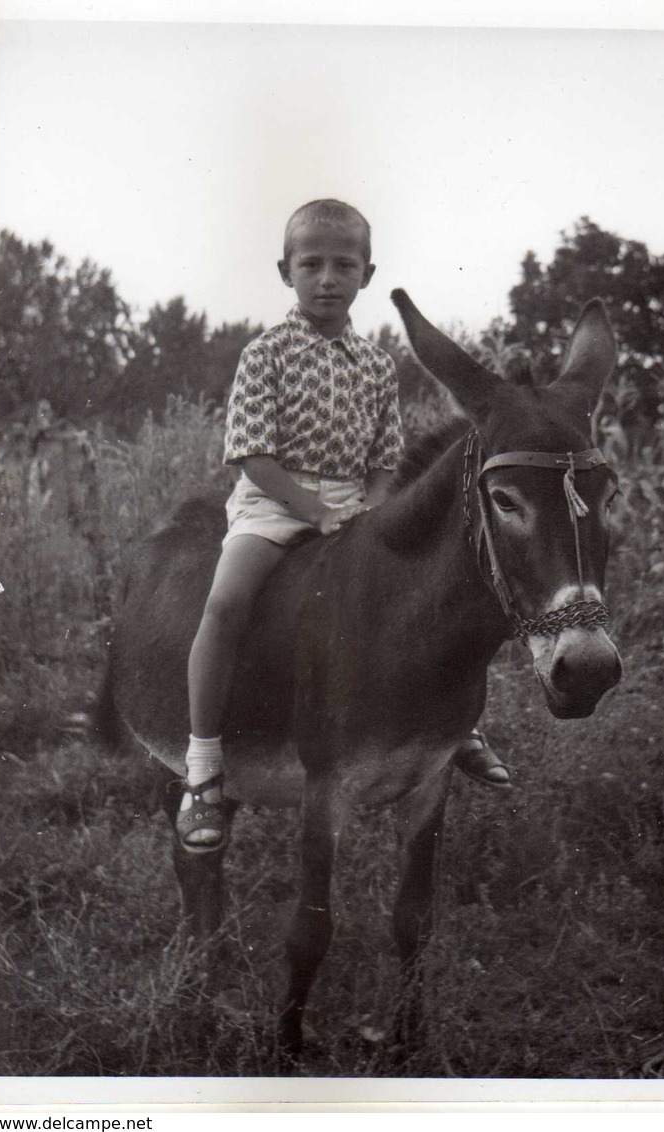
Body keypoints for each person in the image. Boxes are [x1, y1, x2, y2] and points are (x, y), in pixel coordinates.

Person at [178, 199, 510, 852]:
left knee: (431, 595)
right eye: (311, 264)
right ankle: (201, 765)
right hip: (272, 506)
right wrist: (317, 511)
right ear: (285, 272)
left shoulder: (375, 365)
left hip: (357, 507)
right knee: (225, 606)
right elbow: (253, 456)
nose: (326, 278)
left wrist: (370, 510)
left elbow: (385, 459)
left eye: (343, 265)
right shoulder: (265, 353)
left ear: (365, 273)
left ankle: (453, 730)